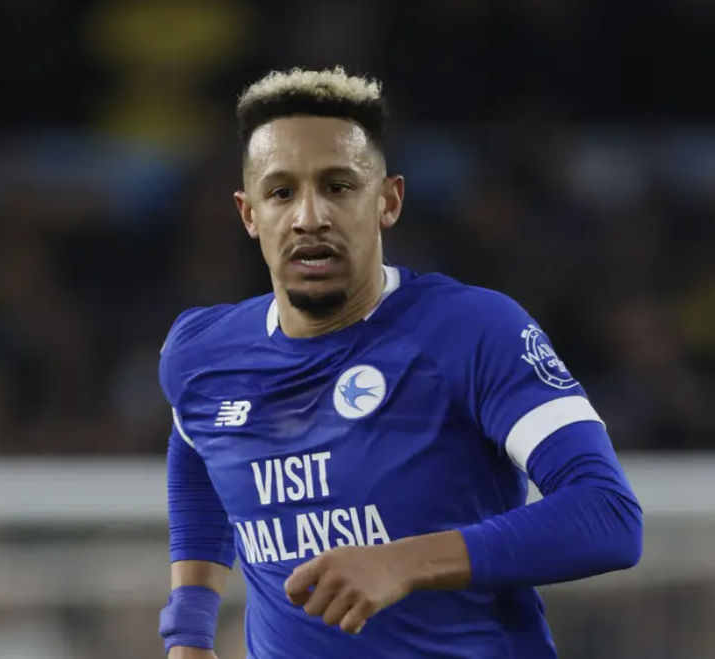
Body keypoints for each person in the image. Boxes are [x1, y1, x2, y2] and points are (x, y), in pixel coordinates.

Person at [157, 66, 643, 659]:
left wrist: (402, 563)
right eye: (281, 192)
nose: (309, 216)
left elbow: (608, 515)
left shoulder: (470, 329)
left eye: (338, 186)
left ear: (387, 201)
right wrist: (188, 632)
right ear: (248, 213)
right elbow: (196, 453)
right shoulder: (201, 352)